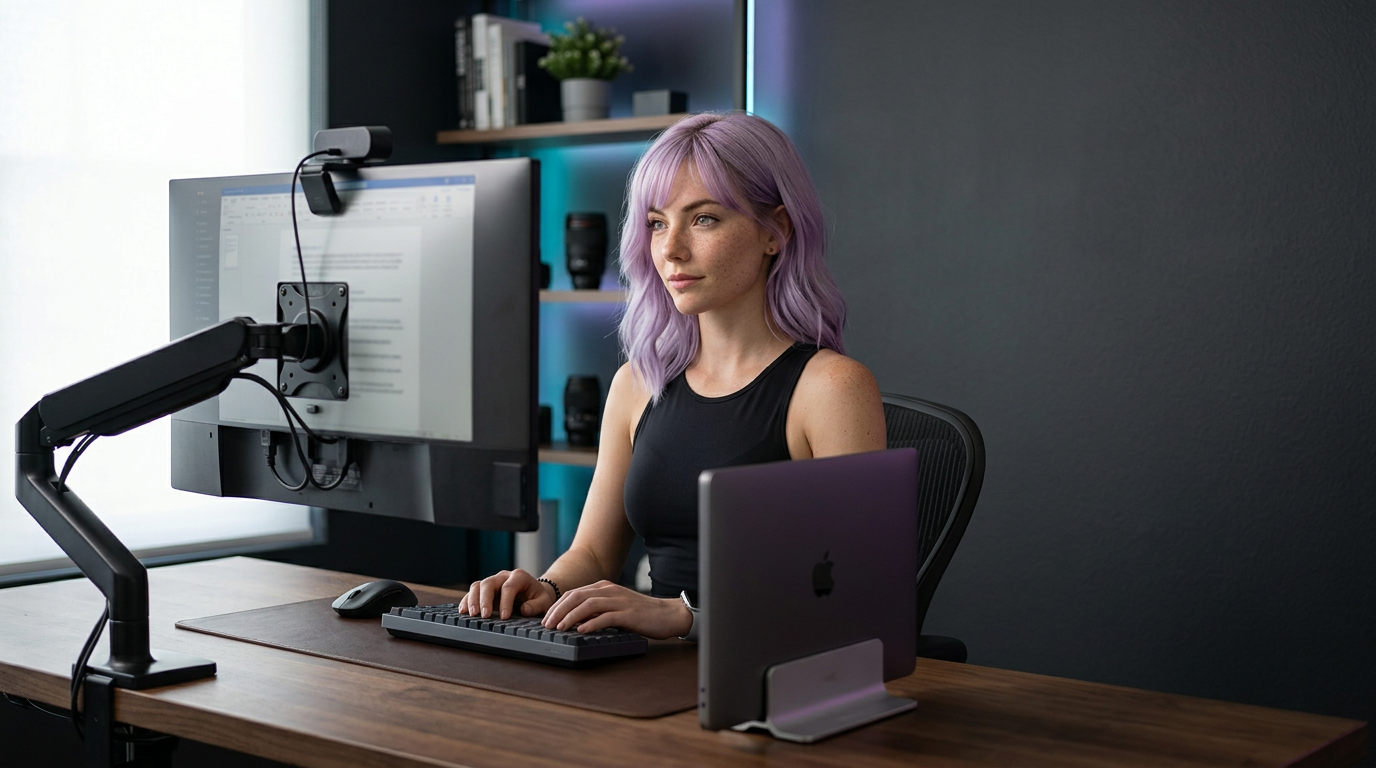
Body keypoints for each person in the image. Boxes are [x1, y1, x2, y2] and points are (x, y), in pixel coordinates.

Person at [457, 112, 886, 639]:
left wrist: (688, 617)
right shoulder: (637, 385)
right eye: (657, 222)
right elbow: (592, 552)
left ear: (776, 231)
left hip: (767, 677)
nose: (670, 248)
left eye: (703, 218)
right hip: (646, 669)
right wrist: (544, 587)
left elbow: (858, 591)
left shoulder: (831, 389)